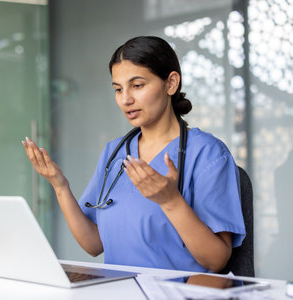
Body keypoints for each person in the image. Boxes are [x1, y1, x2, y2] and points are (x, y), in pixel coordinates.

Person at [22, 36, 245, 273]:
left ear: (171, 83)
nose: (126, 99)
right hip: (118, 291)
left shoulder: (207, 153)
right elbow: (94, 244)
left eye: (137, 85)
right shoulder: (115, 152)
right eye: (118, 89)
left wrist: (171, 202)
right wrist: (60, 186)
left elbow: (216, 260)